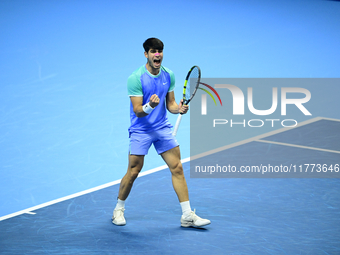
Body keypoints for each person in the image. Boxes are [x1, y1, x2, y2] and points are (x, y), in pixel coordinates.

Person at [112, 38, 210, 228]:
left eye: (160, 51)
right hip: (141, 129)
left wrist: (178, 109)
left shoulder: (169, 75)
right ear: (146, 54)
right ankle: (118, 209)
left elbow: (171, 104)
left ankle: (187, 215)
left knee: (177, 168)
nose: (157, 55)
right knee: (133, 171)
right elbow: (138, 110)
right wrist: (150, 106)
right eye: (153, 51)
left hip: (162, 128)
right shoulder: (135, 78)